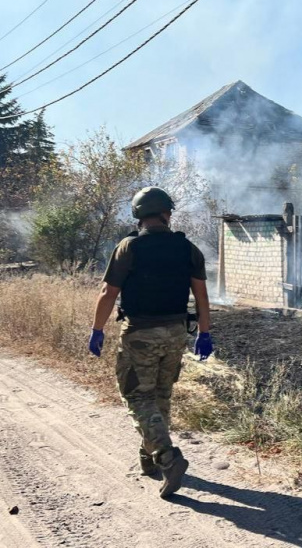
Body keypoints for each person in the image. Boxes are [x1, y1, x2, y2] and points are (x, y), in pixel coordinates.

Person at [87, 187, 214, 498]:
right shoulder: (188, 249)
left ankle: (168, 459)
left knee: (137, 397)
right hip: (175, 333)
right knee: (160, 395)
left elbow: (108, 293)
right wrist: (205, 332)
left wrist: (97, 329)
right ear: (166, 214)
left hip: (140, 334)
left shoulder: (128, 247)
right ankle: (149, 459)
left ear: (138, 215)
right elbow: (201, 296)